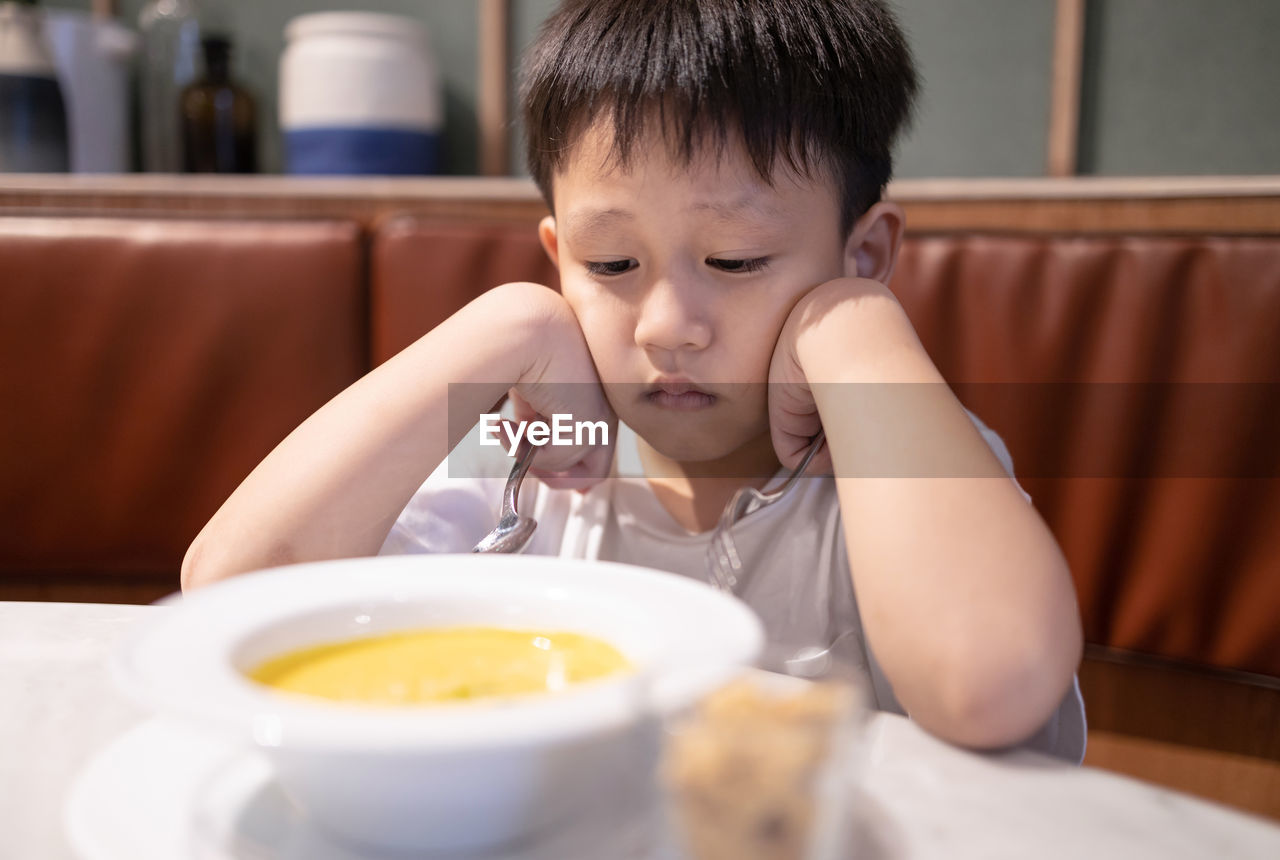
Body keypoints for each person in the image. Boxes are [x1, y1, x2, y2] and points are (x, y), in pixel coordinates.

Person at [182, 0, 1085, 760]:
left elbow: (990, 682)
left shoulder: (895, 468)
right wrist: (513, 322)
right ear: (558, 255)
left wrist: (855, 329)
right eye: (611, 262)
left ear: (865, 251)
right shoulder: (547, 452)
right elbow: (230, 590)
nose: (664, 327)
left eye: (735, 260)